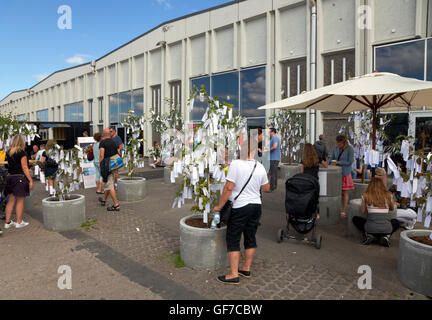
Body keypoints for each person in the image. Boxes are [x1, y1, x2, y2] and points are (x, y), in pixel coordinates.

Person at [213, 135, 270, 284]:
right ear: (254, 152)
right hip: (256, 206)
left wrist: (219, 206)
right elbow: (267, 187)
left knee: (233, 237)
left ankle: (233, 274)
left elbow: (228, 188)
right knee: (250, 236)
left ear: (242, 150)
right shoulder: (260, 166)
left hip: (240, 207)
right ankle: (246, 268)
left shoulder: (236, 164)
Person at [352, 177, 400, 247]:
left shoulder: (365, 195)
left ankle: (368, 235)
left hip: (370, 228)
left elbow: (363, 211)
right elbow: (392, 209)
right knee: (396, 222)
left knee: (355, 219)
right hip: (386, 228)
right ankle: (387, 236)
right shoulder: (388, 195)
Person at [4, 135, 34, 230]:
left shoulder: (8, 152)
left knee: (11, 200)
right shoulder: (22, 153)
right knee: (20, 201)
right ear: (22, 142)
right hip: (19, 178)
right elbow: (25, 168)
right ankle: (19, 222)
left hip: (10, 178)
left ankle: (7, 222)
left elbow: (7, 166)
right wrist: (30, 180)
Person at [329, 135, 354, 218]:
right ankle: (338, 209)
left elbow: (350, 162)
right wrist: (328, 162)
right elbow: (331, 158)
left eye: (339, 143)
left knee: (344, 192)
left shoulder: (350, 149)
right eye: (337, 143)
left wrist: (338, 162)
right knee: (337, 192)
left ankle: (344, 210)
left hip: (345, 173)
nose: (338, 145)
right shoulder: (335, 148)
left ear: (344, 142)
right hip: (336, 173)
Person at [99, 129, 120, 212]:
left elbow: (101, 155)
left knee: (110, 185)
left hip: (107, 165)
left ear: (103, 135)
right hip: (114, 164)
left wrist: (101, 165)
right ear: (109, 134)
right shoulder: (114, 142)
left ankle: (116, 205)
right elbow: (117, 153)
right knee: (109, 183)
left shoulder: (103, 143)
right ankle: (104, 200)